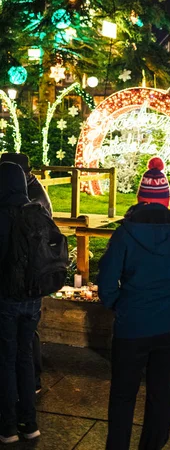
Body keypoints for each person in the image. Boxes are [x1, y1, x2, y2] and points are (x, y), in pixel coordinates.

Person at [98, 157, 170, 450]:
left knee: (123, 393)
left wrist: (120, 305)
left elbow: (106, 283)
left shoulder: (125, 233)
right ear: (166, 200)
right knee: (161, 389)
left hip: (133, 326)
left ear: (141, 199)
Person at [0, 153, 49, 394]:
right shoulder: (34, 202)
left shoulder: (20, 206)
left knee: (12, 352)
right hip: (32, 289)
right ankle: (29, 420)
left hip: (13, 289)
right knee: (25, 345)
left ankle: (10, 419)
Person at [0, 162, 41, 444]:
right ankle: (30, 423)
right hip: (33, 299)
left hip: (6, 299)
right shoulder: (36, 213)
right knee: (25, 358)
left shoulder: (2, 216)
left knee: (5, 359)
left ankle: (8, 427)